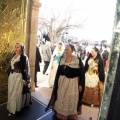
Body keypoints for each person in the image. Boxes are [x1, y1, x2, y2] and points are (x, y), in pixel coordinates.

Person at [46, 44, 85, 120]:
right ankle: (61, 113)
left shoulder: (77, 60)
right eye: (65, 49)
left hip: (72, 84)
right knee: (61, 96)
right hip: (62, 83)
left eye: (68, 49)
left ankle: (70, 114)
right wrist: (56, 82)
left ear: (72, 50)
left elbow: (82, 74)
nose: (66, 51)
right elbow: (58, 72)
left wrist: (81, 84)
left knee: (70, 98)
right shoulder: (62, 59)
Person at [7, 43, 32, 116]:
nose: (16, 48)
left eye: (18, 47)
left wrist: (25, 79)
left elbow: (25, 69)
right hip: (12, 77)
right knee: (11, 92)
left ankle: (14, 110)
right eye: (15, 47)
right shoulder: (13, 55)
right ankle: (11, 108)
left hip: (18, 77)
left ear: (21, 48)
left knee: (16, 94)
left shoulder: (23, 57)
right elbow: (11, 66)